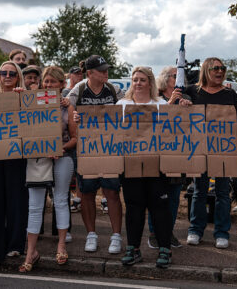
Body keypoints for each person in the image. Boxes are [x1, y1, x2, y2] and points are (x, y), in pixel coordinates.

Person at [20, 66, 77, 272]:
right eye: (46, 81)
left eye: (53, 82)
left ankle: (61, 246)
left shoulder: (67, 107)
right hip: (37, 159)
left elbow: (75, 138)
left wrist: (59, 149)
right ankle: (31, 252)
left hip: (62, 157)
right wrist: (20, 94)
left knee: (60, 200)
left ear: (62, 84)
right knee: (35, 206)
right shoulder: (32, 103)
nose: (49, 85)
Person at [116, 66, 173, 268]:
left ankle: (165, 248)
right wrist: (83, 120)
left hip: (156, 165)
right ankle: (133, 249)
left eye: (142, 79)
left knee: (159, 207)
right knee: (134, 208)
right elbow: (108, 128)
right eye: (135, 80)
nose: (138, 83)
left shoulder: (161, 104)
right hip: (130, 164)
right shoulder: (122, 104)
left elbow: (174, 130)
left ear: (150, 83)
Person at [68, 55, 124, 254]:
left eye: (106, 69)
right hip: (87, 149)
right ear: (90, 73)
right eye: (101, 70)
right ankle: (91, 234)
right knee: (88, 193)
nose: (105, 72)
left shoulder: (114, 89)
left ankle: (116, 235)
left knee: (112, 193)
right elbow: (67, 106)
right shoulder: (79, 89)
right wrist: (73, 115)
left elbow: (127, 109)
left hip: (110, 148)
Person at [185, 57, 237, 249]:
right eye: (215, 68)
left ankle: (221, 233)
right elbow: (178, 117)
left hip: (223, 149)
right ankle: (195, 230)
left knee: (222, 193)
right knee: (199, 191)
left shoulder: (230, 94)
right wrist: (181, 104)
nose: (220, 71)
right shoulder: (193, 91)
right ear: (205, 71)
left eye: (222, 68)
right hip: (199, 149)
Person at [0, 61, 28, 269]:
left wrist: (23, 100)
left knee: (17, 201)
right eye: (3, 73)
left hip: (18, 156)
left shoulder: (27, 98)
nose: (7, 76)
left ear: (18, 76)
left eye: (12, 73)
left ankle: (16, 244)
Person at [147, 66, 185, 249]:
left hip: (177, 154)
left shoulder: (185, 99)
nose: (179, 79)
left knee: (174, 196)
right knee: (156, 196)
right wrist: (170, 103)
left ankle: (168, 231)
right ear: (166, 79)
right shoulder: (154, 99)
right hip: (156, 155)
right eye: (175, 76)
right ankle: (154, 232)